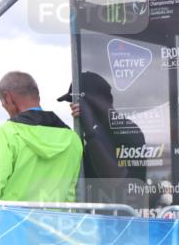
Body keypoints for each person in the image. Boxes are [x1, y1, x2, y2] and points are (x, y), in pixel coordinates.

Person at [58, 71, 146, 206]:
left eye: (77, 102)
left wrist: (91, 131)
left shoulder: (127, 129)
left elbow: (116, 182)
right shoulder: (94, 135)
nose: (72, 107)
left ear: (92, 102)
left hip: (124, 219)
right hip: (99, 218)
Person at [0, 71, 82, 202]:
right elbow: (70, 195)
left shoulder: (5, 134)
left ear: (7, 97)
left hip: (11, 222)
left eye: (2, 103)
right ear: (37, 95)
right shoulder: (73, 139)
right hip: (56, 222)